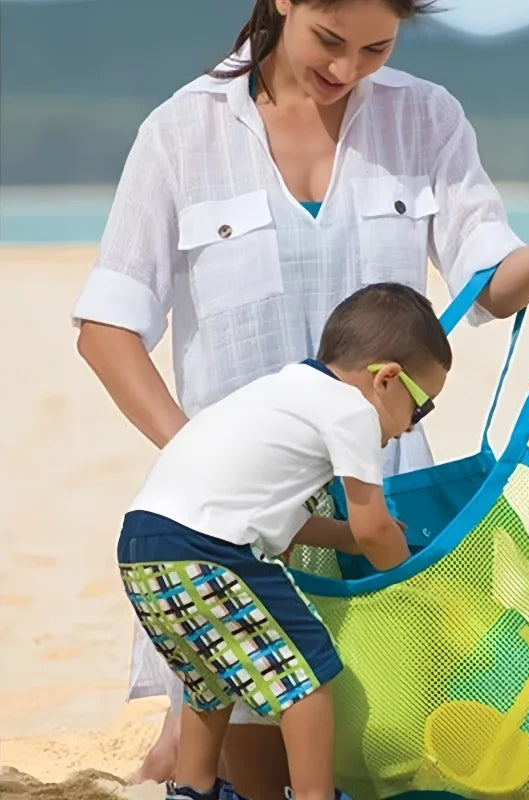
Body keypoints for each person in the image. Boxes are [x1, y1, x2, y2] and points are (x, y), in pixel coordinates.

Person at [72, 0, 529, 795]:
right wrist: (203, 463)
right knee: (261, 769)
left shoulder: (426, 118)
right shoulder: (181, 131)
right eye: (328, 40)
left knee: (386, 757)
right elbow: (107, 329)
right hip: (241, 540)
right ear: (283, 2)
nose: (346, 70)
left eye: (375, 48)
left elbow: (494, 286)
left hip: (374, 510)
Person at [117, 283, 450, 800]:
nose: (410, 429)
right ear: (387, 379)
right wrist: (412, 583)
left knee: (211, 678)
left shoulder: (286, 388)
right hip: (210, 551)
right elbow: (374, 526)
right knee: (308, 673)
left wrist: (343, 538)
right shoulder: (353, 411)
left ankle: (193, 788)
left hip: (144, 545)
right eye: (421, 408)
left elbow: (274, 515)